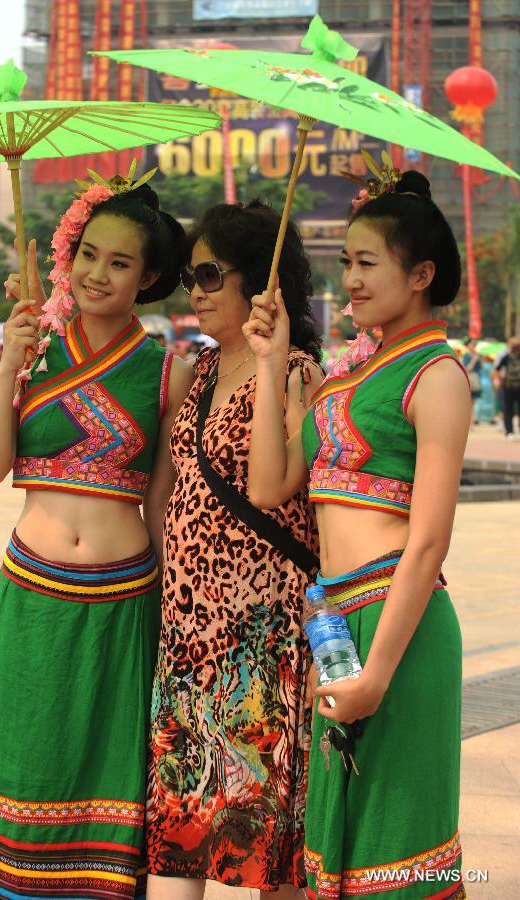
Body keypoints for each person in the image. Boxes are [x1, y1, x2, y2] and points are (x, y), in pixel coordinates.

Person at [244, 170, 470, 898]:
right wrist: (271, 360)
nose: (351, 278)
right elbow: (268, 486)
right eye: (346, 262)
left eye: (367, 262)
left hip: (397, 625)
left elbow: (429, 541)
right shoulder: (347, 378)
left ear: (422, 274)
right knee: (339, 846)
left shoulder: (436, 375)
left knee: (394, 849)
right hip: (337, 621)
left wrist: (375, 672)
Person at [0, 173, 194, 900]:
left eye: (120, 262)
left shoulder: (168, 371)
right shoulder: (34, 349)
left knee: (115, 777)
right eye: (88, 255)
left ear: (151, 277)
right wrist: (9, 358)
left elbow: (163, 500)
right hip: (35, 592)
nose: (98, 273)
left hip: (126, 599)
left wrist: (180, 613)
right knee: (32, 766)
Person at [146, 200, 324, 900]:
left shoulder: (300, 375)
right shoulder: (196, 372)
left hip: (264, 640)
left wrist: (274, 362)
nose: (196, 289)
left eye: (212, 273)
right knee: (178, 826)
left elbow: (271, 493)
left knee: (266, 834)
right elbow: (164, 490)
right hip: (188, 636)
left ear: (262, 282)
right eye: (192, 274)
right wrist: (179, 584)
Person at [494, 336, 520, 438]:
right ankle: (509, 430)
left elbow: (497, 369)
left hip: (509, 385)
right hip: (508, 386)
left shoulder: (506, 356)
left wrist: (500, 379)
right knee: (508, 408)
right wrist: (500, 379)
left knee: (508, 408)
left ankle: (509, 431)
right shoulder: (506, 356)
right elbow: (497, 369)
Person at [461, 335, 483, 425]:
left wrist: (479, 358)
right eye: (472, 344)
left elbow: (482, 367)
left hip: (476, 379)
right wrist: (474, 360)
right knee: (469, 403)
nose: (474, 346)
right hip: (469, 379)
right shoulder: (466, 355)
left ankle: (471, 422)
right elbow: (467, 368)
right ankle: (468, 422)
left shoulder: (477, 354)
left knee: (473, 402)